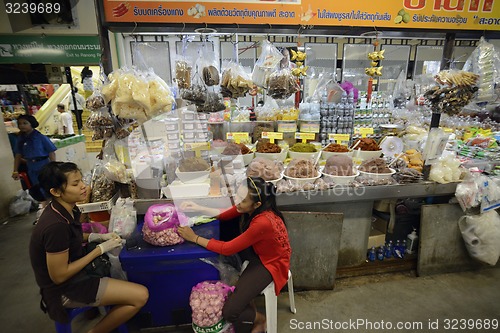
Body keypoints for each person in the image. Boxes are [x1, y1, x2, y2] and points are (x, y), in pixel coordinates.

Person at [29, 161, 149, 332]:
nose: (83, 187)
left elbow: (71, 238)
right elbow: (59, 276)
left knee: (126, 276)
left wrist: (97, 236)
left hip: (78, 274)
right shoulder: (55, 226)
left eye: (82, 181)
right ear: (55, 192)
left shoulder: (67, 209)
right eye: (75, 184)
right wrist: (100, 249)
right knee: (140, 296)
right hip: (65, 289)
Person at [178, 177, 291, 333]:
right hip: (258, 252)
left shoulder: (263, 221)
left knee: (230, 312)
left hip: (270, 263)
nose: (237, 202)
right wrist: (198, 207)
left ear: (256, 204)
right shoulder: (252, 206)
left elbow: (227, 248)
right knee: (236, 288)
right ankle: (246, 298)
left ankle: (260, 320)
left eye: (242, 200)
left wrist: (194, 238)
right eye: (237, 196)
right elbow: (225, 214)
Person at [12, 114, 57, 203]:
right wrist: (15, 170)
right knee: (37, 187)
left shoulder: (40, 137)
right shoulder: (20, 139)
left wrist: (53, 166)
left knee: (47, 186)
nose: (22, 126)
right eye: (20, 124)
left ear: (31, 124)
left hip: (43, 164)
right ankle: (44, 206)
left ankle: (53, 204)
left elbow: (51, 152)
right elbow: (18, 155)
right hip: (31, 166)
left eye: (25, 123)